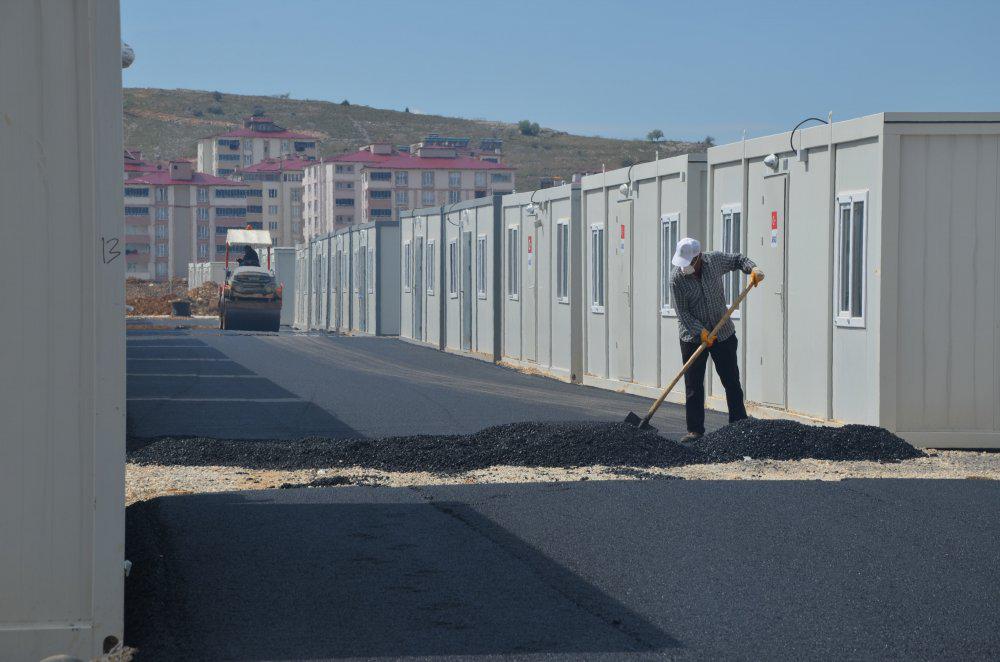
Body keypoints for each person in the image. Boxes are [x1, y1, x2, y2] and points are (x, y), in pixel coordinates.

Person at [669, 237, 764, 442]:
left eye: (689, 263)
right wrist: (700, 331)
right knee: (693, 385)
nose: (684, 268)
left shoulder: (715, 261)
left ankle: (738, 424)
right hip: (693, 337)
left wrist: (753, 269)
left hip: (723, 333)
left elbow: (738, 260)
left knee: (731, 380)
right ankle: (695, 430)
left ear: (699, 257)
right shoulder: (676, 278)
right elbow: (682, 313)